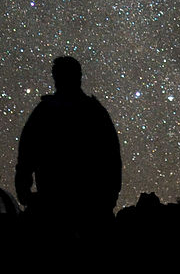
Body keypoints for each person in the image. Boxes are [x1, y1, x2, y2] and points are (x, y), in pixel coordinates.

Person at [15, 56, 122, 227]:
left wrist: (25, 193)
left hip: (75, 205)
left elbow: (26, 156)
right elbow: (113, 158)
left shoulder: (45, 112)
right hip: (81, 205)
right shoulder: (94, 112)